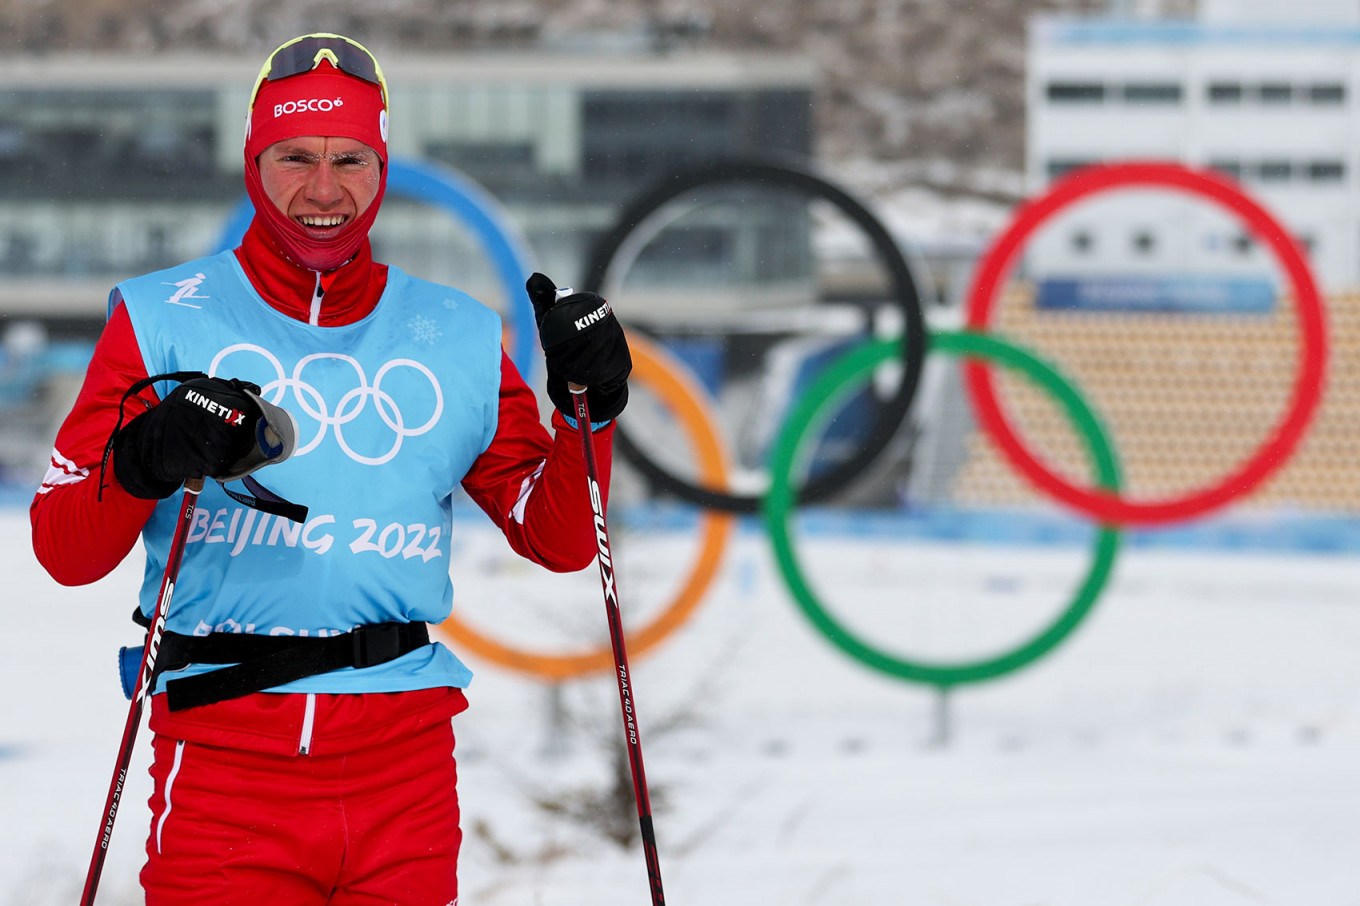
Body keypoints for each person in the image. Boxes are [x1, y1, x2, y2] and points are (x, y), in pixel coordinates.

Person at [30, 33, 631, 905]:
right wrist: (150, 453)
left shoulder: (459, 332)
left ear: (381, 168)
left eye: (350, 158)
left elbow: (560, 536)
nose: (323, 189)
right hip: (227, 767)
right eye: (294, 157)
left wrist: (590, 405)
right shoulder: (163, 317)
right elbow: (65, 548)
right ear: (253, 162)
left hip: (404, 772)